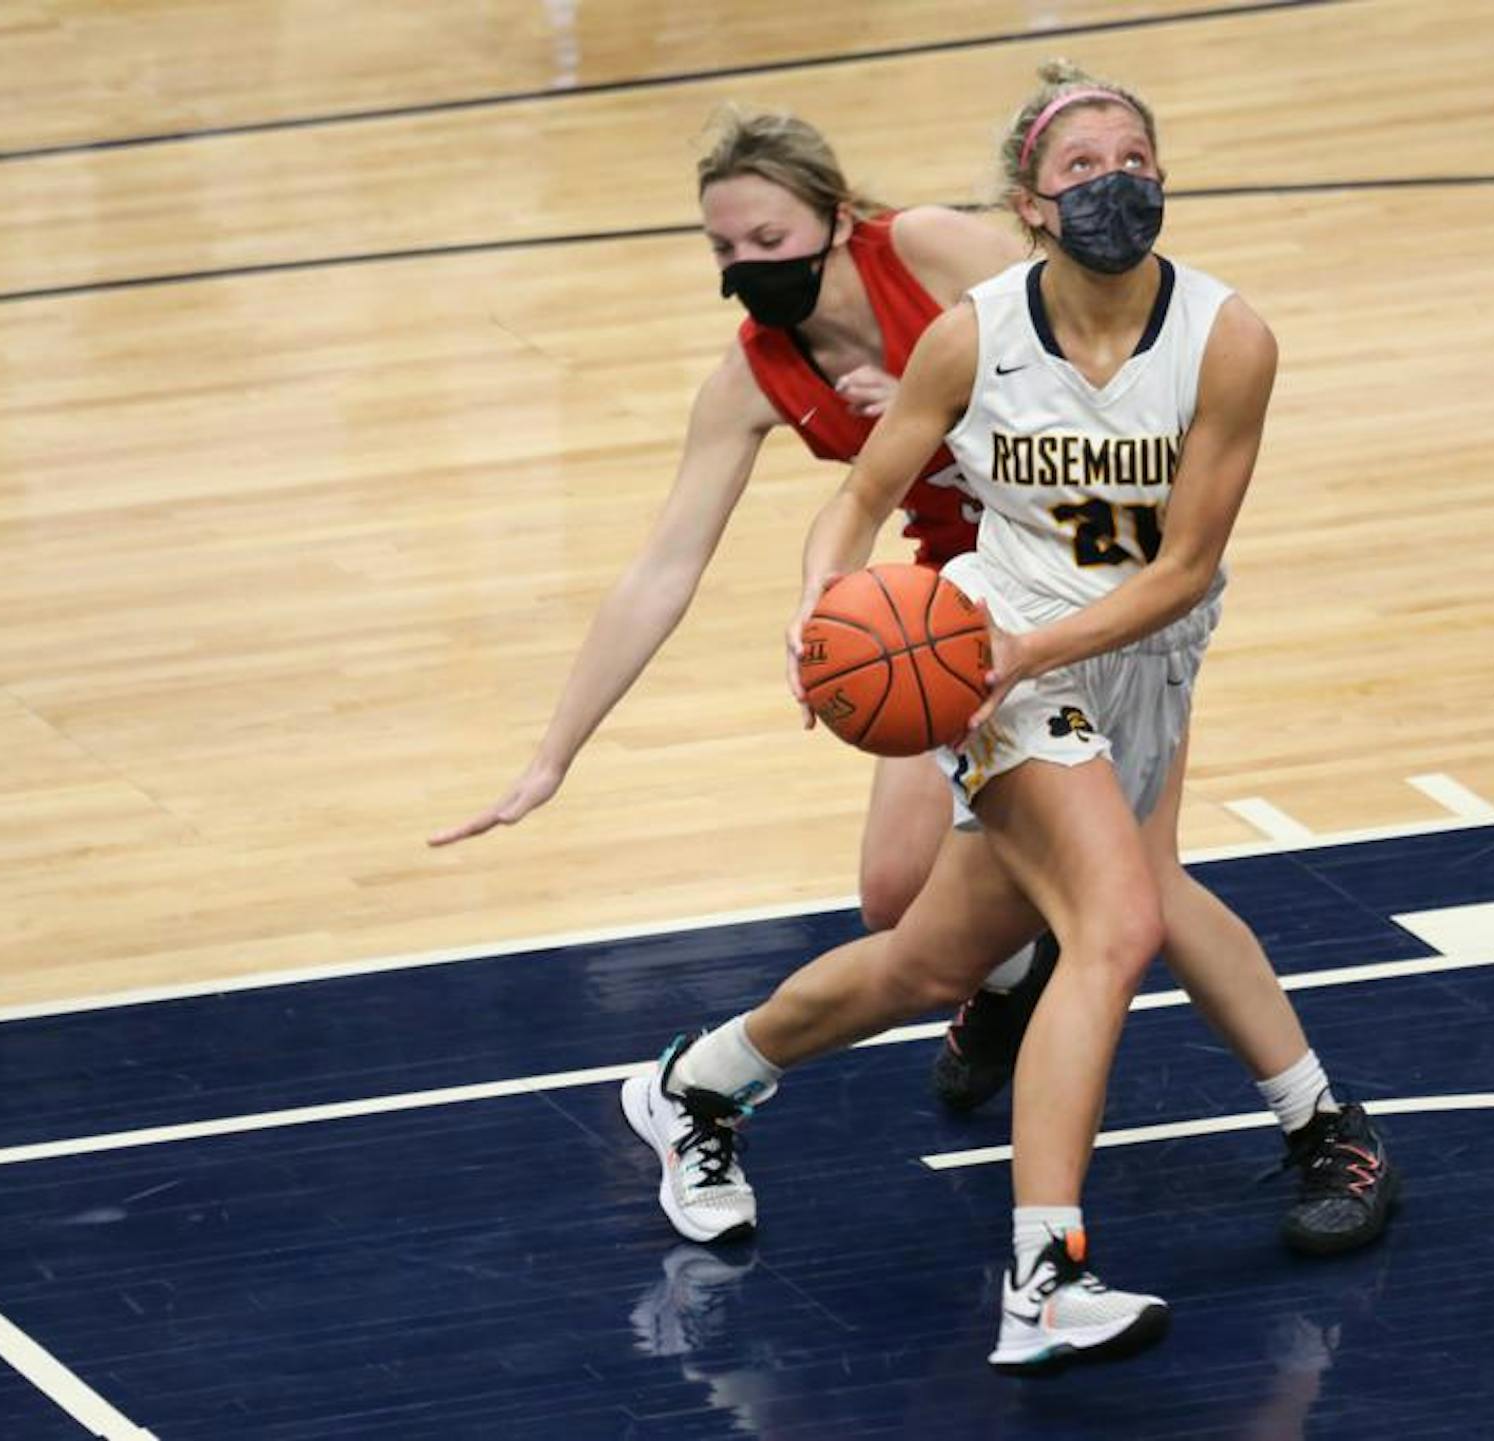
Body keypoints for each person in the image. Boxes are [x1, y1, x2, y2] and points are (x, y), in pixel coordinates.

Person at [630, 61, 1399, 1374]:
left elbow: (1184, 571)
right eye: (1082, 168)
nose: (1115, 183)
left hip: (1133, 654)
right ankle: (1047, 1274)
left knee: (928, 962)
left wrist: (1033, 647)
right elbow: (860, 497)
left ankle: (697, 1079)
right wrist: (825, 602)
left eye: (1133, 158)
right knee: (1118, 920)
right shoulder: (973, 331)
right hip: (1003, 658)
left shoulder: (1230, 338)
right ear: (1028, 205)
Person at [424, 108, 1053, 1107]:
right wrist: (553, 755)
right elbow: (662, 569)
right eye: (725, 248)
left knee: (1100, 872)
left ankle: (1303, 1105)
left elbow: (1104, 354)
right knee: (895, 897)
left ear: (840, 220)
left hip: (1083, 552)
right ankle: (1021, 977)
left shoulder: (928, 248)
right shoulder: (753, 372)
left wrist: (946, 399)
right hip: (961, 589)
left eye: (770, 240)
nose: (747, 264)